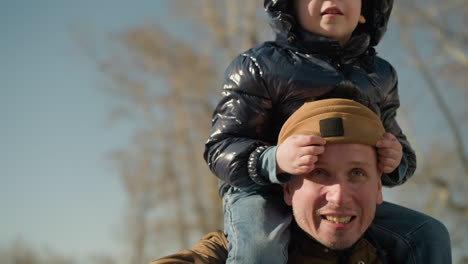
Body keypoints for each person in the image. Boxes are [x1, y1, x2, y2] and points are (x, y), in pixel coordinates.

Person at [203, 0, 447, 263]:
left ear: (367, 9)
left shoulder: (380, 76)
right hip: (259, 190)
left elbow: (396, 142)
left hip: (342, 192)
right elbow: (220, 147)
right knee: (261, 250)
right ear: (289, 7)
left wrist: (396, 159)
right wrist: (274, 159)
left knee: (427, 234)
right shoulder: (258, 65)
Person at [153, 99, 451, 264]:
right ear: (287, 187)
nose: (339, 195)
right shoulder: (235, 253)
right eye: (319, 173)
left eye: (357, 173)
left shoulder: (403, 254)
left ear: (378, 188)